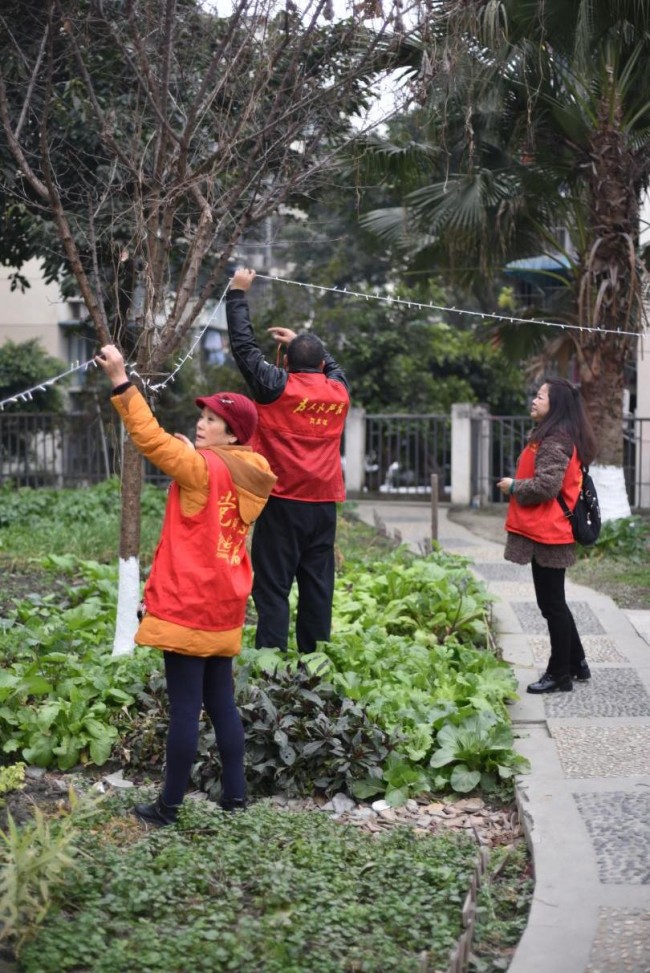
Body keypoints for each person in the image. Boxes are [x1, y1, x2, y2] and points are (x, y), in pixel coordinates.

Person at [95, 344, 277, 826]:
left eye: (214, 419)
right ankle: (234, 797)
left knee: (184, 709)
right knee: (221, 703)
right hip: (225, 601)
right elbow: (200, 471)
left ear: (232, 431)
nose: (203, 422)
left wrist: (120, 379)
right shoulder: (248, 470)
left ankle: (168, 806)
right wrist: (195, 453)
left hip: (189, 603)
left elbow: (151, 441)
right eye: (203, 415)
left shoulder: (200, 467)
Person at [225, 267, 350, 654]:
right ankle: (314, 668)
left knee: (273, 589)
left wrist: (236, 295)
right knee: (317, 590)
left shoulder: (276, 387)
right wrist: (303, 343)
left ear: (289, 362)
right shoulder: (339, 393)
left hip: (282, 505)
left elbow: (245, 350)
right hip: (324, 508)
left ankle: (272, 667)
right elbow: (333, 367)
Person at [497, 378, 597, 694]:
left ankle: (559, 674)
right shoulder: (556, 436)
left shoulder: (555, 441)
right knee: (556, 603)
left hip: (551, 533)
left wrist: (513, 486)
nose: (534, 400)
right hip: (549, 530)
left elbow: (545, 486)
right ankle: (577, 663)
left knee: (551, 605)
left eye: (540, 396)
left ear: (556, 405)